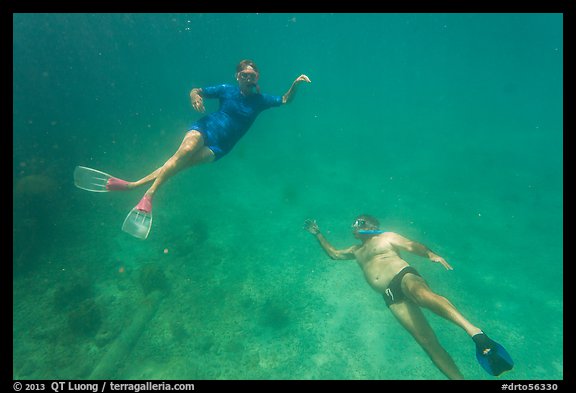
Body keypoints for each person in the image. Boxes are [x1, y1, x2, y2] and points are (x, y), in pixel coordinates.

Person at [74, 59, 311, 239]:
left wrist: (295, 84)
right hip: (205, 128)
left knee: (179, 165)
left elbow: (285, 100)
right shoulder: (226, 89)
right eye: (243, 74)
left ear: (257, 77)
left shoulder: (260, 100)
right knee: (181, 156)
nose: (248, 78)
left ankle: (133, 185)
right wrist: (194, 97)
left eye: (252, 75)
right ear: (237, 76)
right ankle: (148, 195)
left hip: (221, 146)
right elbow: (196, 90)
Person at [303, 214, 513, 380]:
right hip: (391, 296)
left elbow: (411, 245)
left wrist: (430, 254)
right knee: (426, 340)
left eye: (359, 222)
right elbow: (334, 254)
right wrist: (317, 234)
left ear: (371, 224)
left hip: (403, 276)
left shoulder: (385, 236)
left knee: (422, 295)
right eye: (354, 223)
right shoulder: (356, 250)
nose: (354, 226)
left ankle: (475, 332)